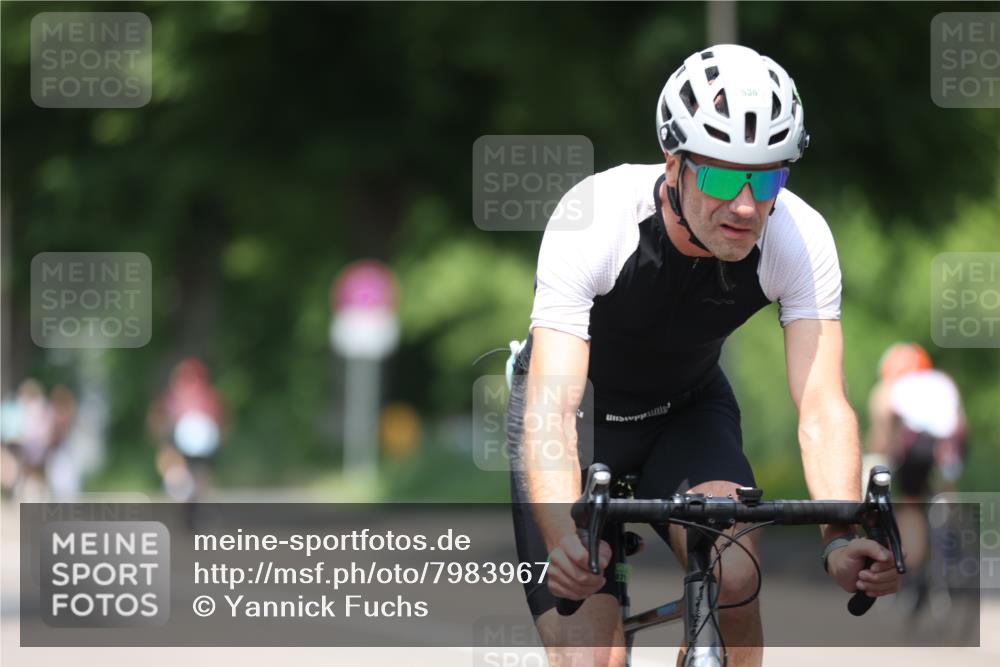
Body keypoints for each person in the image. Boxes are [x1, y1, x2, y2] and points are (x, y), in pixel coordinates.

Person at [506, 44, 901, 667]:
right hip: (579, 427)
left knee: (737, 572)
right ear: (674, 164)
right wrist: (562, 538)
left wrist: (840, 536)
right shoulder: (595, 218)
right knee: (590, 657)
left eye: (766, 176)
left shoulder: (798, 236)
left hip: (686, 412)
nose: (746, 205)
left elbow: (823, 405)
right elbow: (553, 407)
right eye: (720, 176)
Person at [866, 342, 966, 615]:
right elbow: (960, 426)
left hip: (916, 447)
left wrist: (884, 455)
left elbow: (883, 437)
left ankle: (915, 566)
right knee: (945, 490)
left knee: (910, 504)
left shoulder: (888, 389)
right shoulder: (943, 381)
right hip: (950, 444)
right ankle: (951, 533)